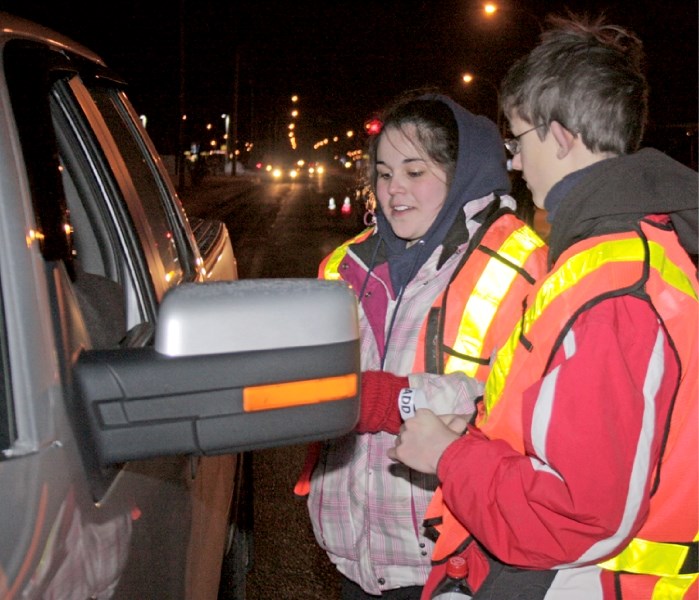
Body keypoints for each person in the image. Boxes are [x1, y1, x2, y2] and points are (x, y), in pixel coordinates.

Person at [388, 14, 698, 600]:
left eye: (518, 140)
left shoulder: (615, 290)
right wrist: (473, 439)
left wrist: (449, 455)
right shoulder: (622, 257)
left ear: (559, 137)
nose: (514, 162)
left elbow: (572, 517)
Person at [294, 89, 548, 598]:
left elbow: (530, 409)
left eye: (415, 172)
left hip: (454, 555)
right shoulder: (343, 265)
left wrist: (397, 399)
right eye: (384, 174)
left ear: (461, 174)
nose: (393, 191)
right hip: (353, 550)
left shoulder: (521, 263)